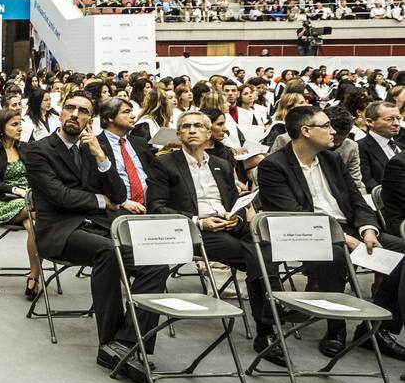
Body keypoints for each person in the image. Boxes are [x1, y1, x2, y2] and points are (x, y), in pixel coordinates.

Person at [23, 91, 169, 383]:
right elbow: (59, 196)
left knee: (156, 262)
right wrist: (102, 201)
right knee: (108, 252)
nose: (75, 114)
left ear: (91, 119)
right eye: (70, 108)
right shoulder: (39, 150)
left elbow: (118, 194)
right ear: (61, 113)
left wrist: (102, 158)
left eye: (83, 111)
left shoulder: (93, 148)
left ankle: (126, 343)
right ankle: (108, 344)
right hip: (59, 231)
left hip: (98, 226)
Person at [258, 105, 405, 360]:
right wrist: (343, 238)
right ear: (305, 131)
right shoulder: (274, 165)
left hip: (346, 228)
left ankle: (376, 330)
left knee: (400, 249)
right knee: (336, 254)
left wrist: (368, 230)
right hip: (303, 232)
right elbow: (293, 215)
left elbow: (357, 201)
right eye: (326, 126)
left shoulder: (331, 159)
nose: (333, 131)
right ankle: (335, 329)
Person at [145, 111, 283, 364]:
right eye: (186, 127)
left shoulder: (222, 165)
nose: (192, 130)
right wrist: (199, 220)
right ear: (178, 135)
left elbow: (235, 202)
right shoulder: (164, 164)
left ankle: (271, 316)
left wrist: (237, 217)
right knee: (255, 255)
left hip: (229, 223)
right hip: (196, 229)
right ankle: (270, 324)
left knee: (266, 247)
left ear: (209, 134)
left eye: (199, 126)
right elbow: (156, 207)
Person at [0, 108, 39, 298]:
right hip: (3, 202)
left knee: (34, 227)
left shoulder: (26, 148)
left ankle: (34, 277)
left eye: (20, 124)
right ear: (1, 128)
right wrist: (18, 191)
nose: (20, 128)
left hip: (29, 202)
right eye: (14, 125)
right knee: (41, 213)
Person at [96, 98, 155, 210]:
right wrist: (123, 202)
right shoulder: (96, 145)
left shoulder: (140, 142)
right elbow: (96, 184)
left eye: (131, 111)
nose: (133, 116)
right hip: (118, 207)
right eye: (126, 112)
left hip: (150, 204)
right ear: (110, 117)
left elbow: (154, 172)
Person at [358, 100, 401, 191]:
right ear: (370, 122)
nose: (397, 123)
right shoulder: (359, 148)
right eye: (389, 119)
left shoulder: (401, 147)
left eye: (398, 118)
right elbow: (368, 182)